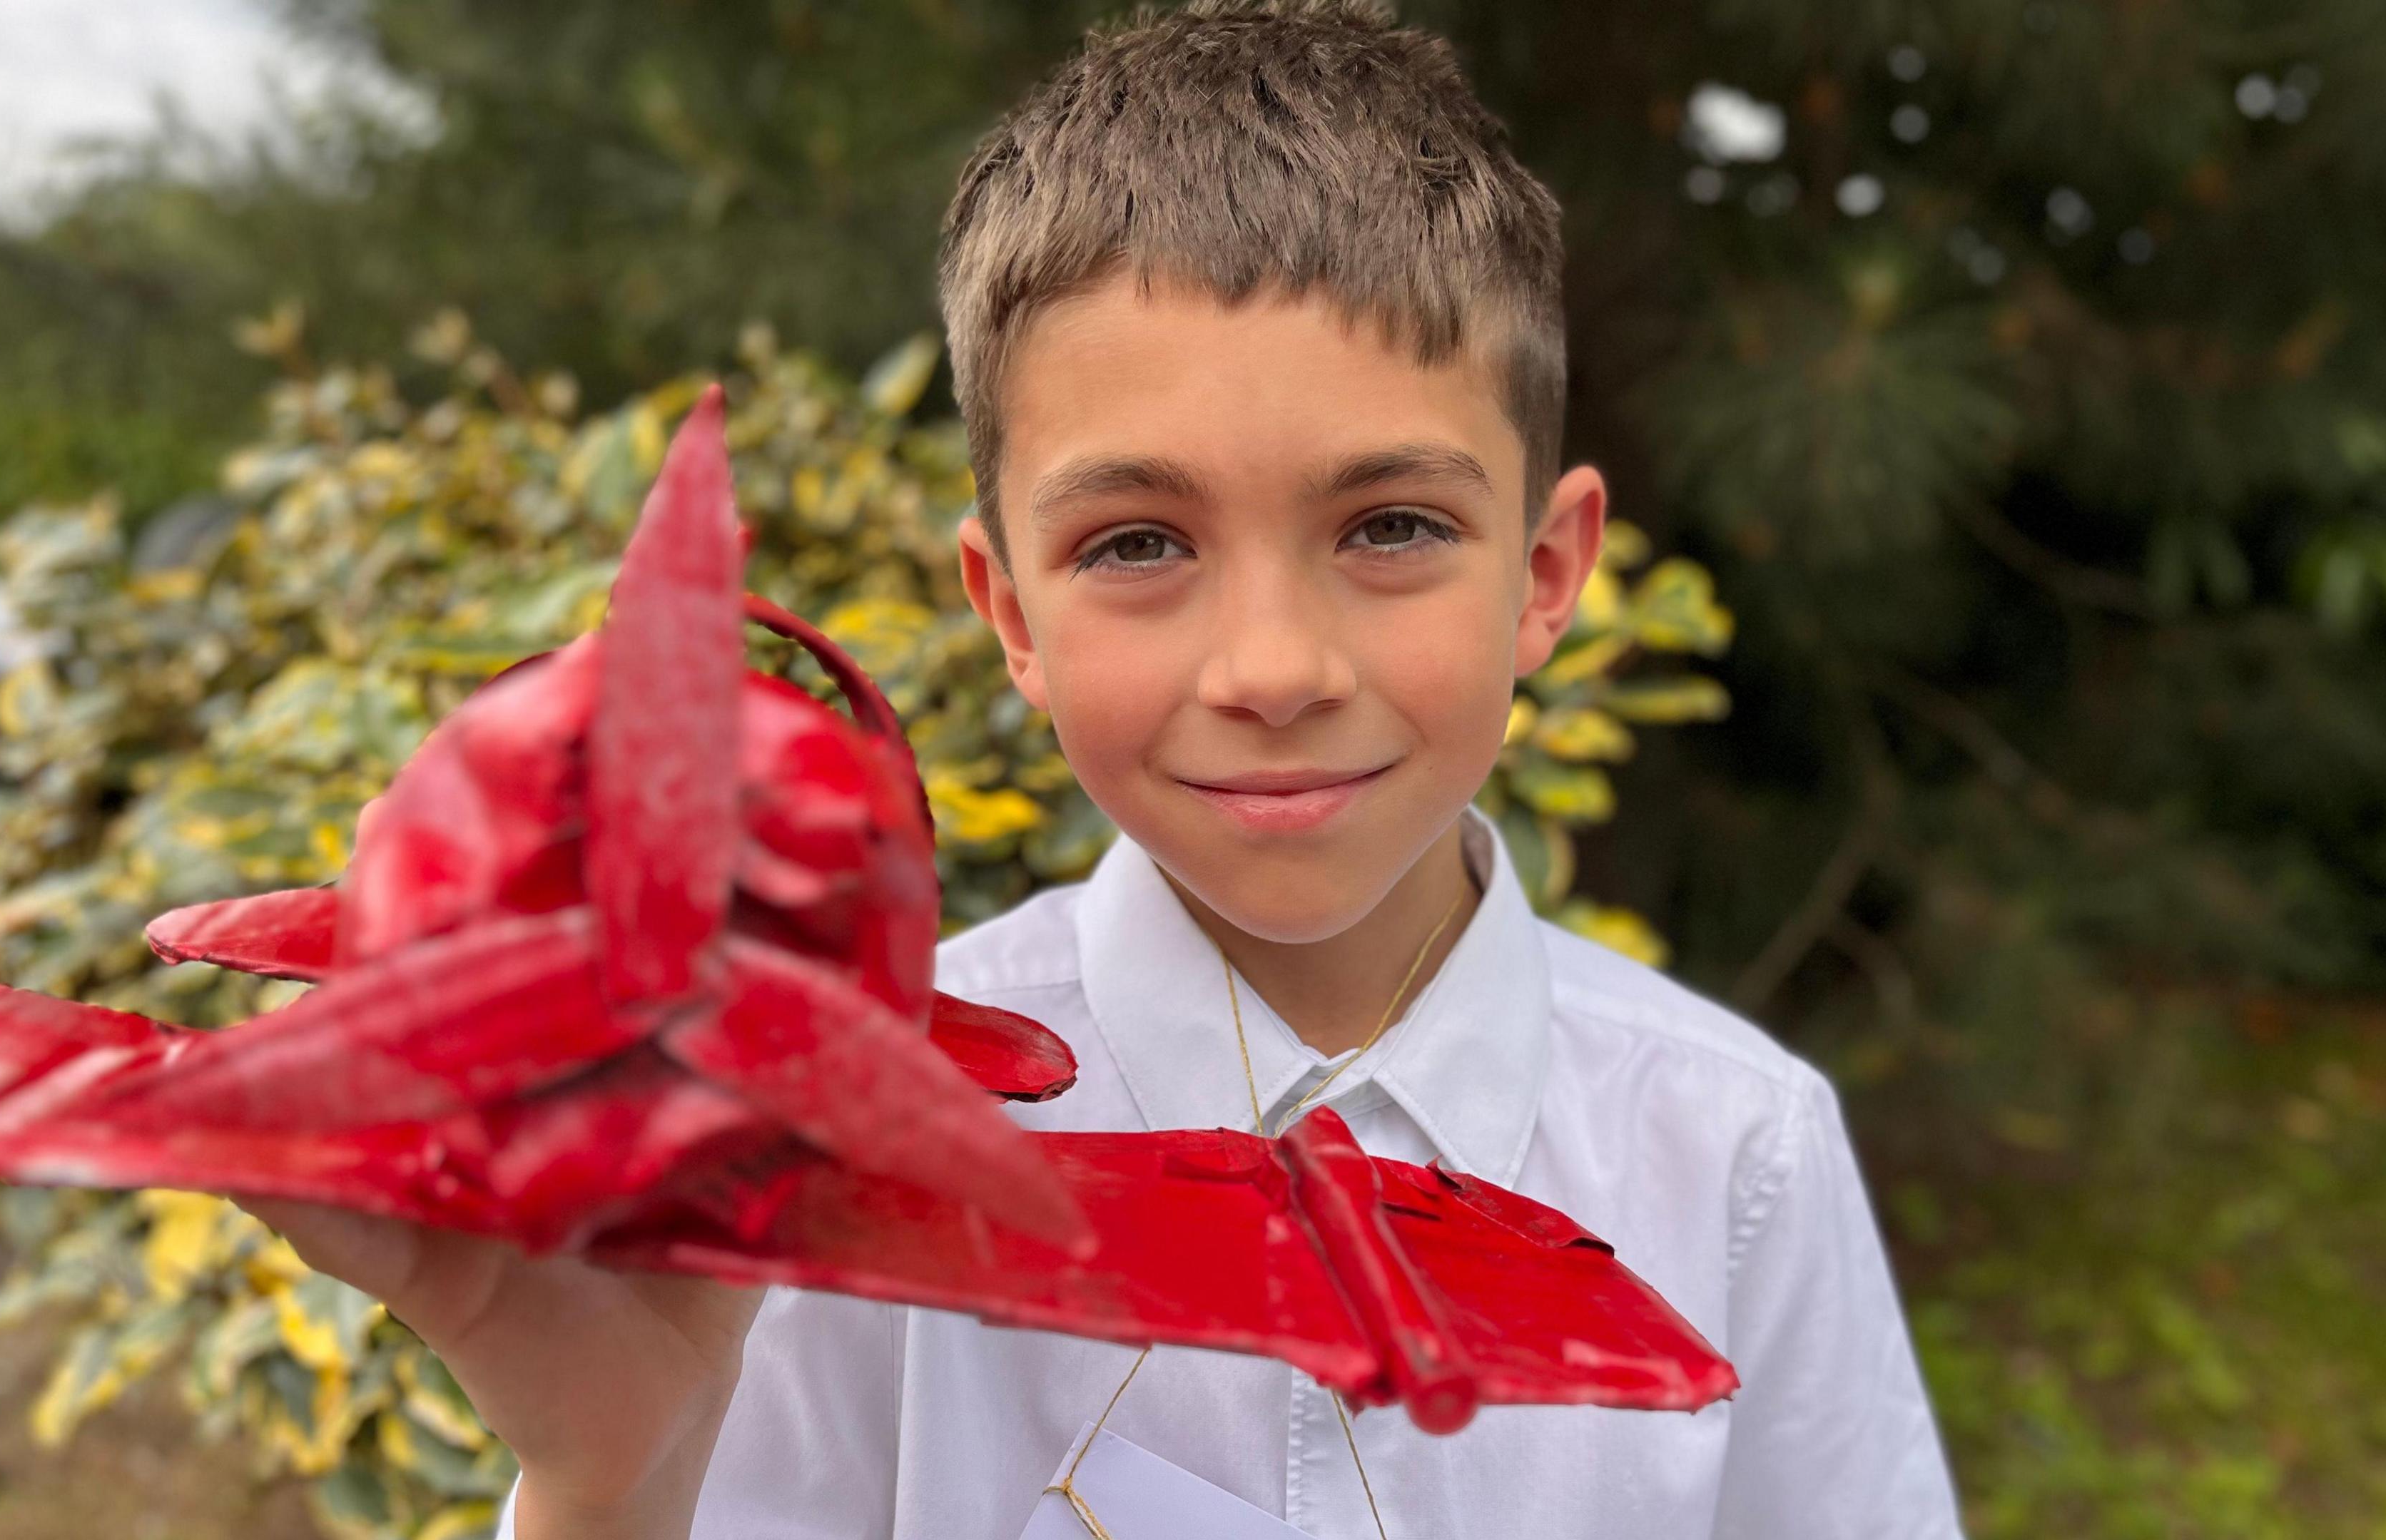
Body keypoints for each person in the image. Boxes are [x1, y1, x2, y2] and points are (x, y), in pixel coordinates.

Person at [248, 3, 1964, 1535]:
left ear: (1543, 572)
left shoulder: (1735, 1154)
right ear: (1008, 608)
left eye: (1393, 525)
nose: (1274, 670)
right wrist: (613, 1493)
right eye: (1141, 543)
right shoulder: (825, 1146)